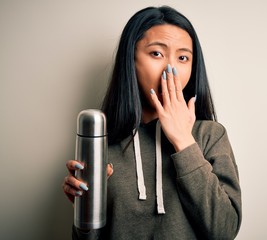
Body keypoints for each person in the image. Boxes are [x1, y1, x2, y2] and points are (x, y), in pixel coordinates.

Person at [63, 6, 242, 239]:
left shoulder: (210, 135)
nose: (171, 69)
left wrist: (184, 142)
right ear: (131, 60)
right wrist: (85, 217)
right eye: (157, 53)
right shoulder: (101, 144)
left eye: (183, 57)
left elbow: (225, 230)